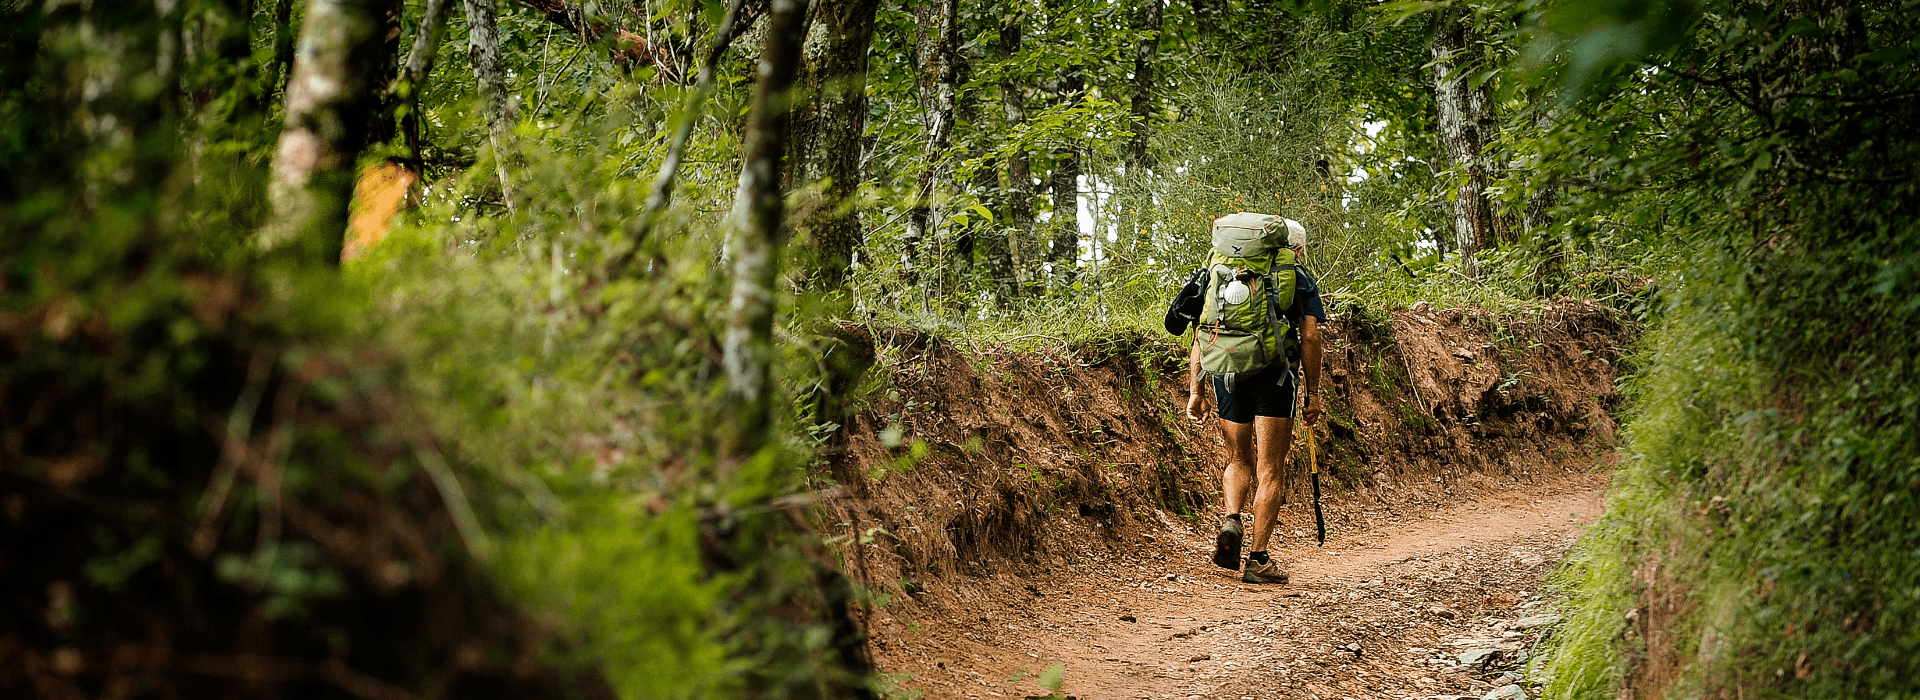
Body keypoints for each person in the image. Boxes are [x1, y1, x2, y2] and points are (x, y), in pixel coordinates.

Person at [1185, 219, 1325, 584]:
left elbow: (1202, 331)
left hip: (1227, 374)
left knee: (1237, 459)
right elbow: (1310, 337)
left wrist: (1196, 391)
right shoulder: (1297, 275)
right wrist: (1314, 392)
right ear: (1293, 247)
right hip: (1275, 377)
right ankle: (1258, 560)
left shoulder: (1219, 272)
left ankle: (1232, 518)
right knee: (1270, 469)